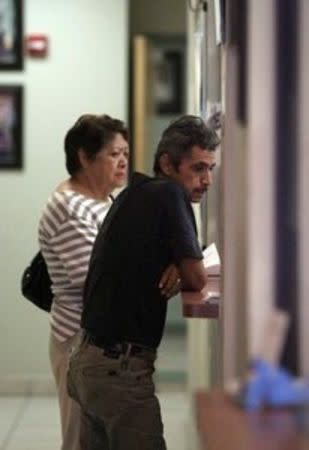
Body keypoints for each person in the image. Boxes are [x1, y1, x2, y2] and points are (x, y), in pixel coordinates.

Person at [67, 115, 220, 450]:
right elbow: (196, 276)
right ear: (167, 163)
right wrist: (183, 268)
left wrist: (178, 266)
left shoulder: (134, 194)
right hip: (118, 372)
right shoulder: (169, 194)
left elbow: (163, 261)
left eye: (211, 169)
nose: (207, 179)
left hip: (87, 362)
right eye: (197, 168)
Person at [38, 114, 130, 450]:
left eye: (125, 153)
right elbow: (94, 278)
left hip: (102, 339)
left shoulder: (101, 199)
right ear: (84, 157)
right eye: (114, 154)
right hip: (79, 339)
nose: (123, 162)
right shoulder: (69, 207)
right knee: (81, 439)